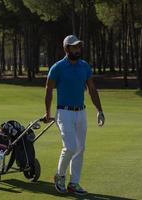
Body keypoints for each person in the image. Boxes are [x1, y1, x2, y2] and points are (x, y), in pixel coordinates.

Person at [44, 35, 105, 195]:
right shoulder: (57, 68)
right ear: (66, 49)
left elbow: (92, 89)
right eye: (73, 47)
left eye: (78, 47)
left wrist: (100, 110)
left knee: (80, 148)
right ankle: (59, 176)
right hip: (64, 112)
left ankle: (74, 183)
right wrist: (48, 113)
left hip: (81, 112)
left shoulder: (84, 66)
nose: (77, 49)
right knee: (70, 147)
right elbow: (48, 90)